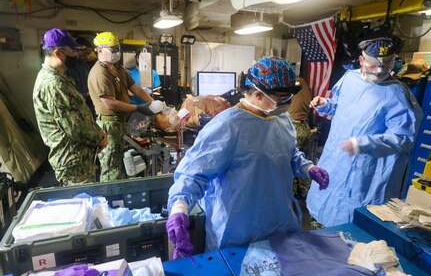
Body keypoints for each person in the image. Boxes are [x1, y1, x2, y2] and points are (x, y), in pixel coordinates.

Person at [165, 56, 330, 258]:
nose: (286, 104)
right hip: (236, 230)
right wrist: (179, 208)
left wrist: (307, 168)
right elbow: (193, 174)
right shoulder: (227, 126)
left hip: (279, 221)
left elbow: (288, 152)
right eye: (281, 98)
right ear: (259, 95)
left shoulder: (281, 119)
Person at [306, 37, 422, 228]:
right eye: (374, 65)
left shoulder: (397, 93)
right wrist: (325, 104)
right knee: (323, 211)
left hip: (366, 173)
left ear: (393, 61)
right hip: (336, 161)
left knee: (352, 226)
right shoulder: (350, 79)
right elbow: (340, 105)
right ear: (361, 61)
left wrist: (364, 144)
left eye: (386, 65)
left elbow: (402, 138)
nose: (379, 70)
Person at [33, 28, 107, 186]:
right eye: (73, 51)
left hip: (78, 158)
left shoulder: (61, 78)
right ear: (59, 53)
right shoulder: (54, 84)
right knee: (83, 204)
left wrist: (97, 131)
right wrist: (98, 138)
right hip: (73, 163)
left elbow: (79, 114)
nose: (76, 55)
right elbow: (75, 127)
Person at [88, 31, 164, 182]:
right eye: (112, 49)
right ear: (100, 50)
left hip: (122, 124)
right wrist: (139, 108)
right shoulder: (100, 73)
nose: (116, 52)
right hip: (110, 126)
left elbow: (138, 90)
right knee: (112, 169)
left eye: (117, 48)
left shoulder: (118, 69)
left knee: (123, 164)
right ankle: (110, 201)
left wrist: (154, 105)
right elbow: (110, 103)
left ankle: (122, 200)